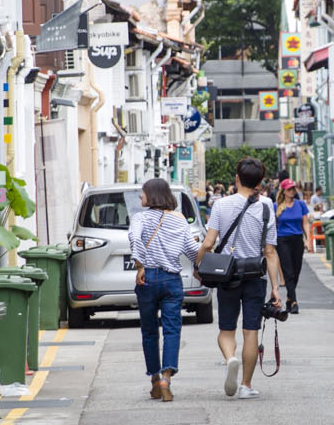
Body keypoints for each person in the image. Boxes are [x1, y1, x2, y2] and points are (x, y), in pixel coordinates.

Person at [200, 156, 284, 399]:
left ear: (237, 178)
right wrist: (276, 288)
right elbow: (270, 251)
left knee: (226, 330)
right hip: (255, 276)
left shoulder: (221, 205)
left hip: (226, 274)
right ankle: (246, 385)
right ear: (260, 182)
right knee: (251, 331)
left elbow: (208, 243)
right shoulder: (267, 205)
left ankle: (230, 359)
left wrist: (198, 265)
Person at [130, 177, 198, 402]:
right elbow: (191, 249)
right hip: (171, 280)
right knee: (171, 330)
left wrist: (140, 265)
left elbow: (134, 237)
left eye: (143, 193)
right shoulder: (180, 220)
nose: (141, 197)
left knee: (149, 331)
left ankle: (154, 380)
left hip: (147, 279)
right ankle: (166, 379)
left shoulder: (140, 218)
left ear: (152, 195)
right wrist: (201, 264)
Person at [273, 178, 309, 314]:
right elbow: (271, 225)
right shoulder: (276, 206)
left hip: (297, 239)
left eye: (293, 188)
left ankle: (289, 298)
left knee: (296, 271)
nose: (292, 191)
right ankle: (294, 302)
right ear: (283, 191)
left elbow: (305, 222)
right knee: (288, 271)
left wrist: (308, 239)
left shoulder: (300, 204)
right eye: (289, 189)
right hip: (283, 240)